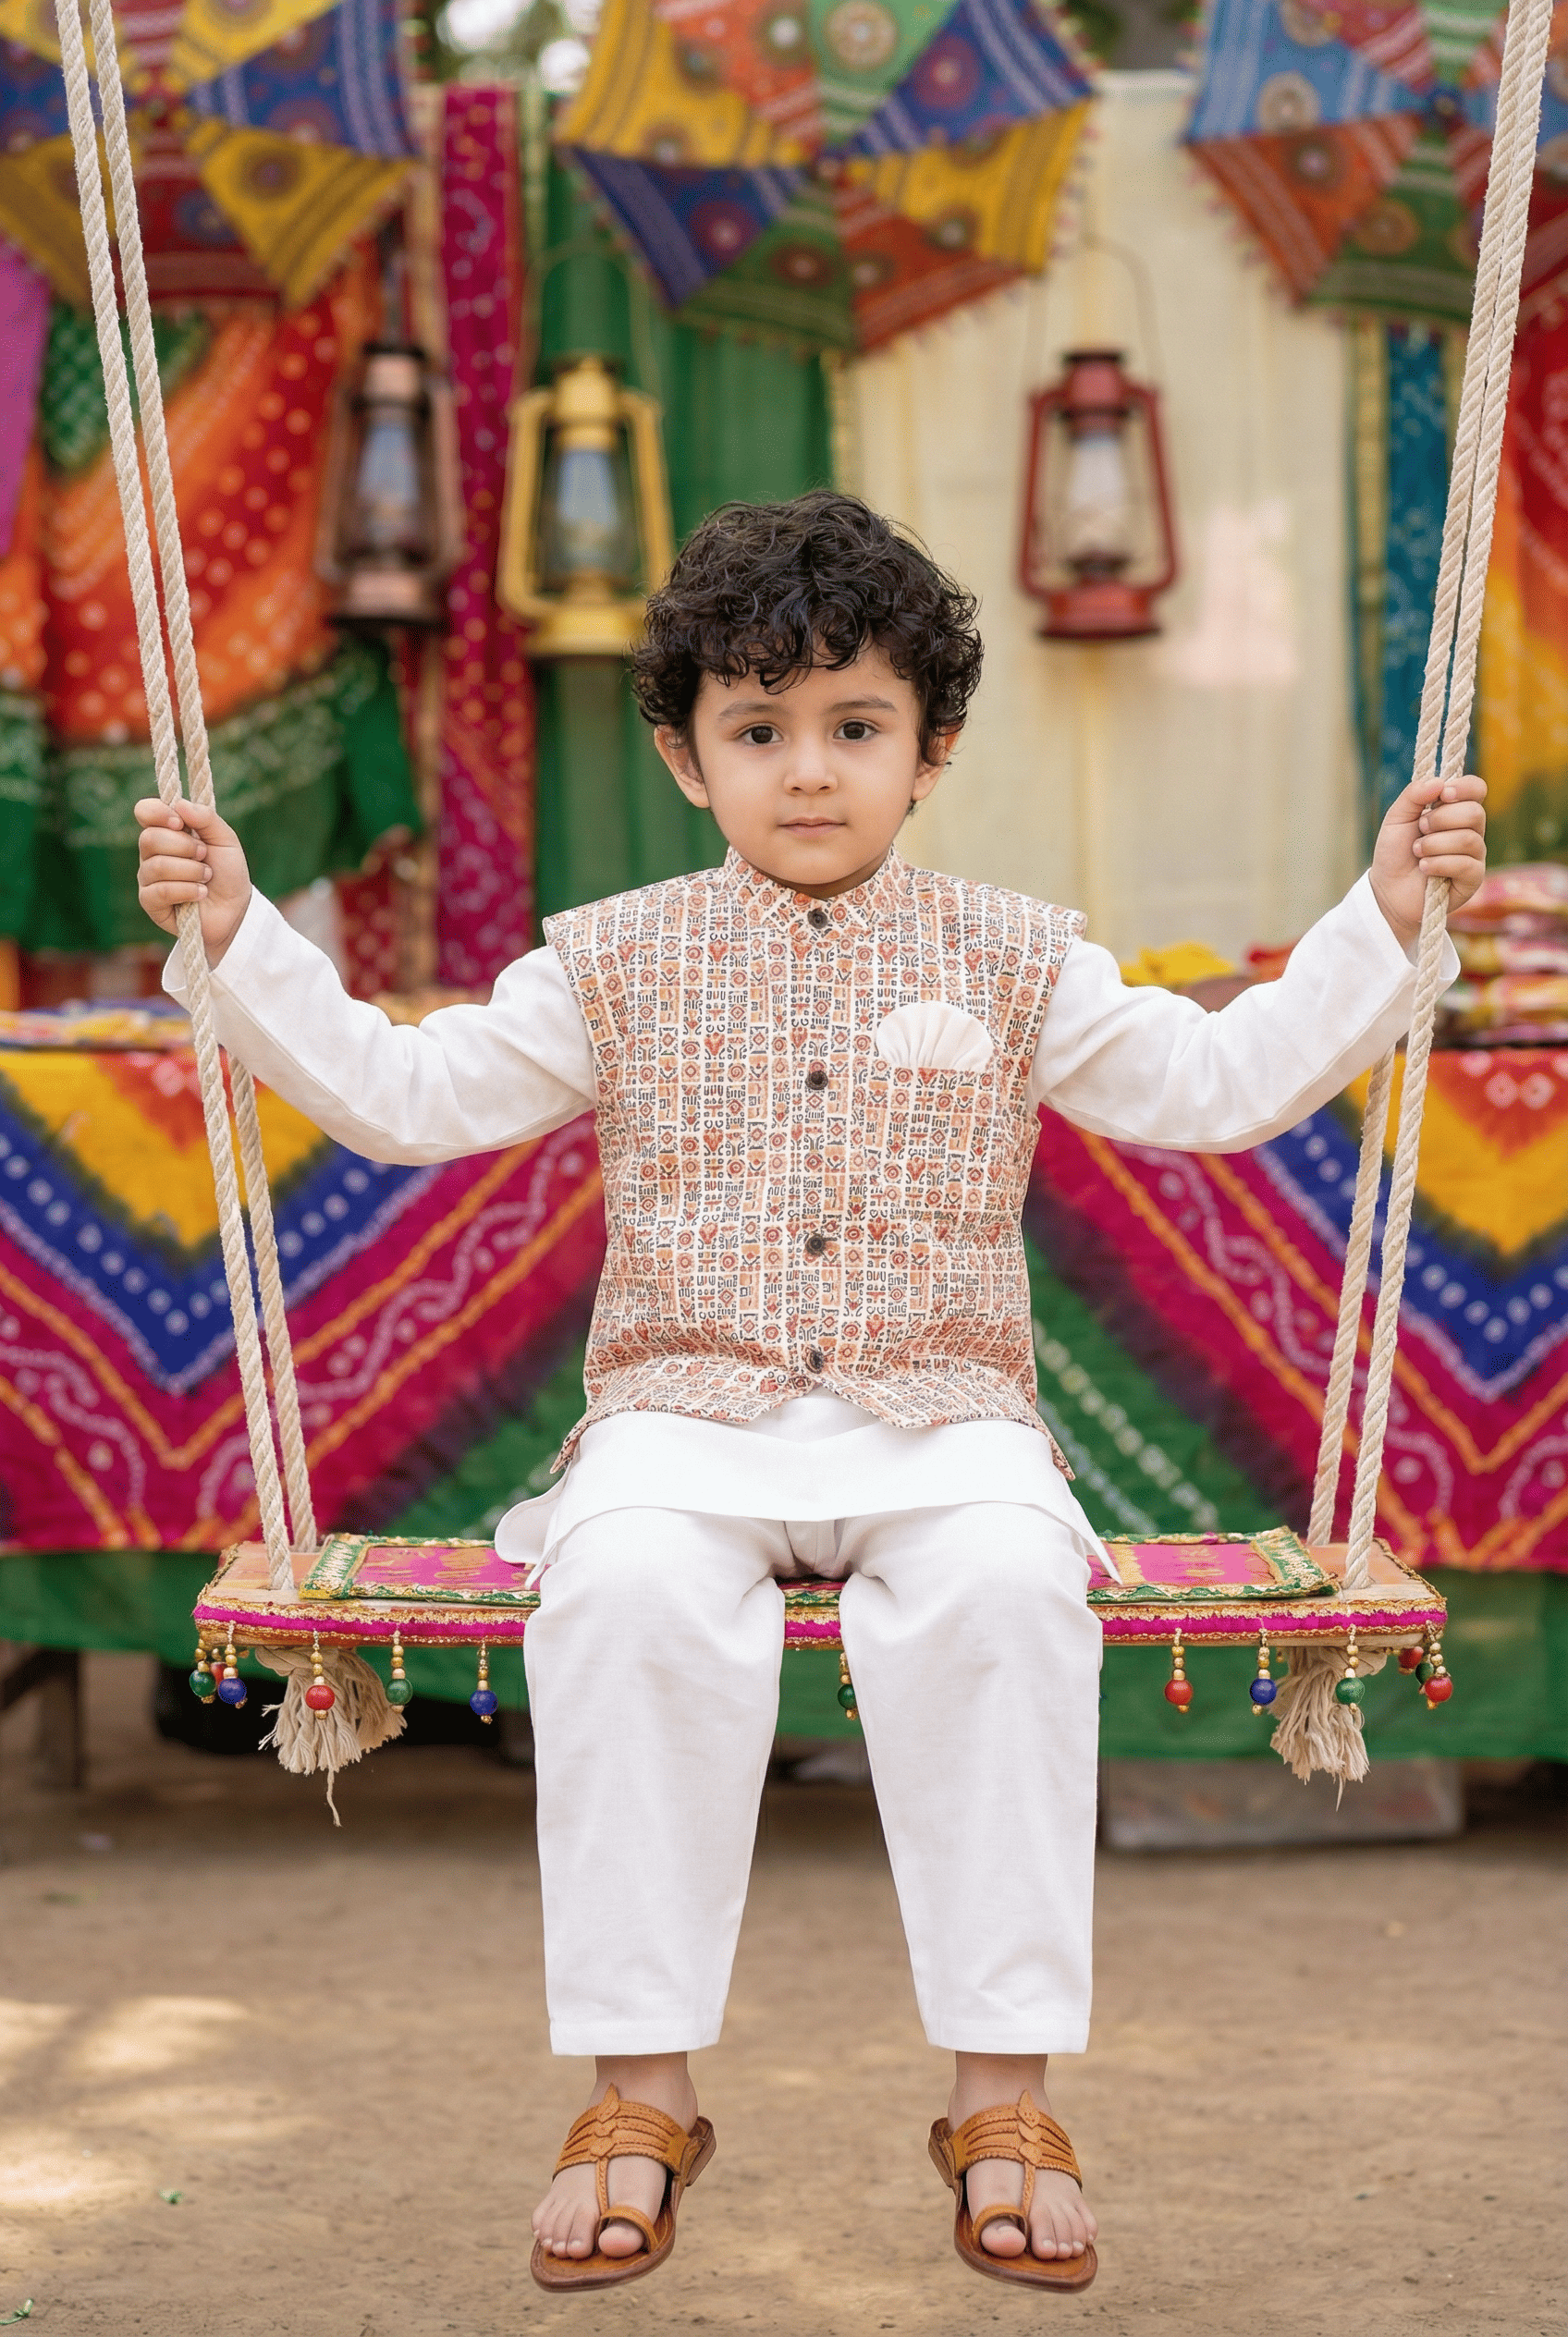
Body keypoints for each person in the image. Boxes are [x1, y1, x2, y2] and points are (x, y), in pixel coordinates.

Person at [136, 491, 1486, 2296]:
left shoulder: (1016, 955)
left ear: (932, 748)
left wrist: (1379, 920)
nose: (808, 771)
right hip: (677, 1425)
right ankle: (638, 2093)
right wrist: (240, 936)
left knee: (1009, 1592)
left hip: (948, 1425)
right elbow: (409, 1094)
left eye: (855, 726)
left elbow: (1216, 1080)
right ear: (685, 759)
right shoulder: (610, 959)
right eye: (758, 729)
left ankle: (1001, 2099)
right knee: (618, 1594)